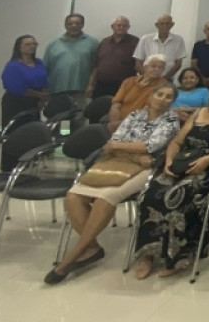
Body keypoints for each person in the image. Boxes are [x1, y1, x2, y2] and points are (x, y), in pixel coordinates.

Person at [44, 82, 180, 284]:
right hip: (116, 162)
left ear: (172, 101)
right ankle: (92, 248)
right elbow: (113, 142)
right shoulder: (134, 115)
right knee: (73, 196)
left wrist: (121, 148)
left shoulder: (171, 120)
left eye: (168, 97)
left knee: (105, 198)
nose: (163, 99)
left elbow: (150, 146)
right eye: (159, 94)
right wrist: (132, 152)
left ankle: (72, 256)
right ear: (151, 96)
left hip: (145, 169)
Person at [132, 79, 209, 279]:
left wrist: (208, 159)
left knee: (179, 197)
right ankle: (148, 254)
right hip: (184, 162)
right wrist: (169, 161)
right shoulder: (199, 112)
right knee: (148, 195)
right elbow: (177, 141)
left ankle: (178, 256)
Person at [43, 13, 98, 131]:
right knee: (57, 120)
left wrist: (91, 85)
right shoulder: (53, 44)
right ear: (65, 25)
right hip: (57, 90)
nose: (73, 26)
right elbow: (45, 68)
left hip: (80, 89)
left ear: (82, 25)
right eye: (70, 23)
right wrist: (44, 90)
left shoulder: (92, 43)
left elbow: (96, 66)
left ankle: (75, 141)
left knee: (78, 119)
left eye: (77, 23)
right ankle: (58, 140)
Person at [107, 55, 168, 132]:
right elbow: (116, 103)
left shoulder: (163, 86)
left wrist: (121, 125)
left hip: (138, 125)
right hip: (116, 120)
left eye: (160, 67)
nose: (156, 69)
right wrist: (114, 123)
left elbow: (146, 112)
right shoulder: (129, 81)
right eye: (153, 66)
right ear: (145, 67)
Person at [0, 35, 48, 128]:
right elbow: (16, 87)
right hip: (17, 103)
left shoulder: (39, 63)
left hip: (35, 103)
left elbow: (45, 80)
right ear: (19, 47)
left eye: (34, 44)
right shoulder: (13, 66)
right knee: (16, 130)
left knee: (33, 129)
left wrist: (42, 98)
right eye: (27, 44)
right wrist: (39, 95)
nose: (32, 46)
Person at [88, 15, 138, 99]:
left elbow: (138, 64)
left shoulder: (135, 42)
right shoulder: (104, 42)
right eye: (119, 25)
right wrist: (90, 85)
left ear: (128, 27)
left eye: (124, 26)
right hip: (101, 85)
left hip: (123, 85)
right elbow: (96, 65)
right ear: (112, 27)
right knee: (98, 106)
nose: (121, 28)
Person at [133, 14, 187, 81]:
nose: (165, 26)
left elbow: (178, 64)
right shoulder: (145, 39)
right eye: (162, 23)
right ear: (156, 25)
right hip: (145, 79)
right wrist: (147, 78)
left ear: (172, 25)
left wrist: (163, 79)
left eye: (167, 23)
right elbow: (138, 63)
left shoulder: (178, 40)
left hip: (167, 79)